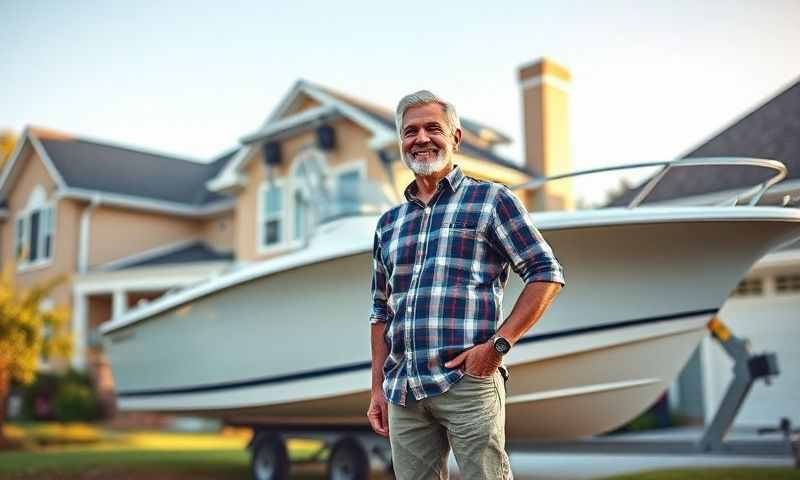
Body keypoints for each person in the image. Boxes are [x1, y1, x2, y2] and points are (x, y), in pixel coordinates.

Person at [367, 90, 565, 479]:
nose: (421, 138)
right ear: (401, 142)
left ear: (455, 137)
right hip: (403, 390)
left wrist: (498, 346)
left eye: (432, 128)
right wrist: (377, 387)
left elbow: (546, 273)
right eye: (410, 131)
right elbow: (381, 310)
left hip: (468, 383)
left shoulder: (491, 200)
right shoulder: (388, 224)